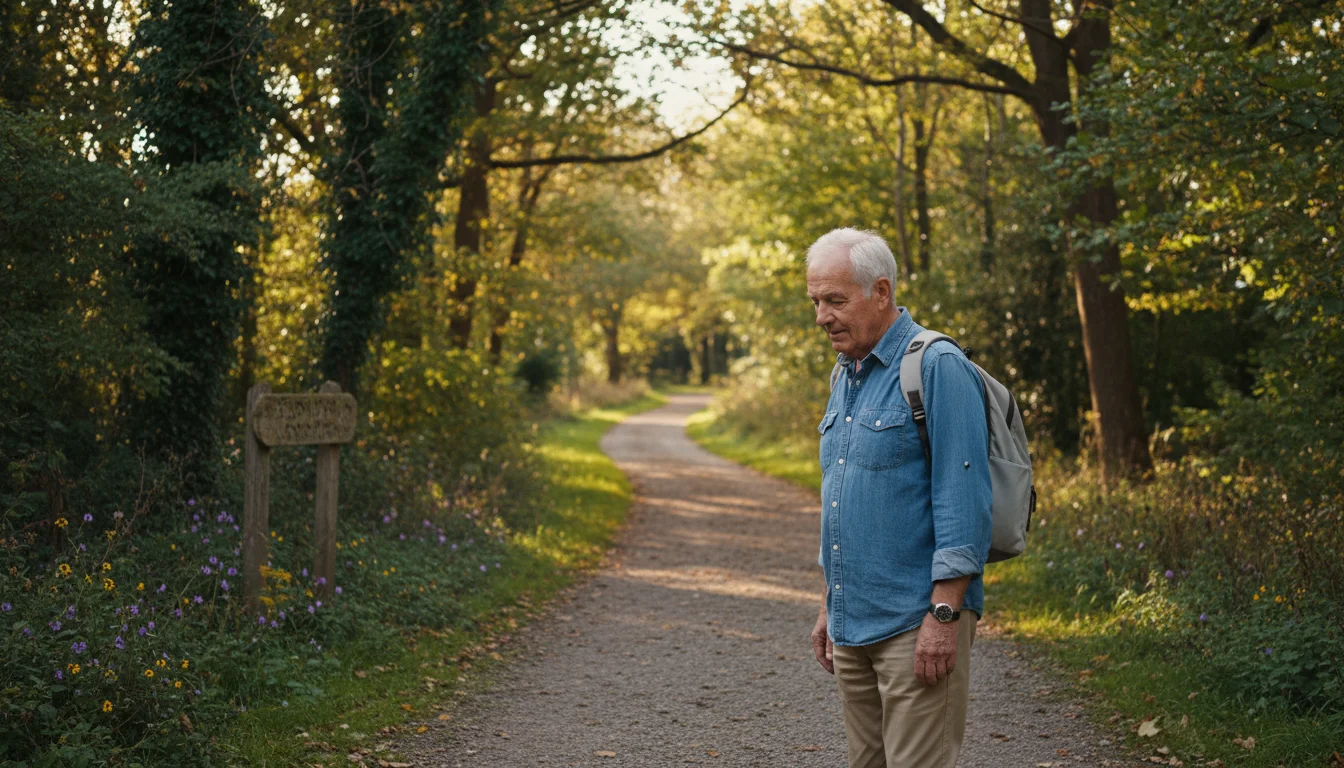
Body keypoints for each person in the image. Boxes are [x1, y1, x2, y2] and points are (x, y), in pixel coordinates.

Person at [806, 228, 993, 768]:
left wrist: (943, 615)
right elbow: (842, 494)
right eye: (816, 301)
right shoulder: (847, 373)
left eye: (835, 300)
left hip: (915, 622)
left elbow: (964, 499)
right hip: (853, 617)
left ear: (881, 291)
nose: (822, 316)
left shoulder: (937, 367)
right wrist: (828, 602)